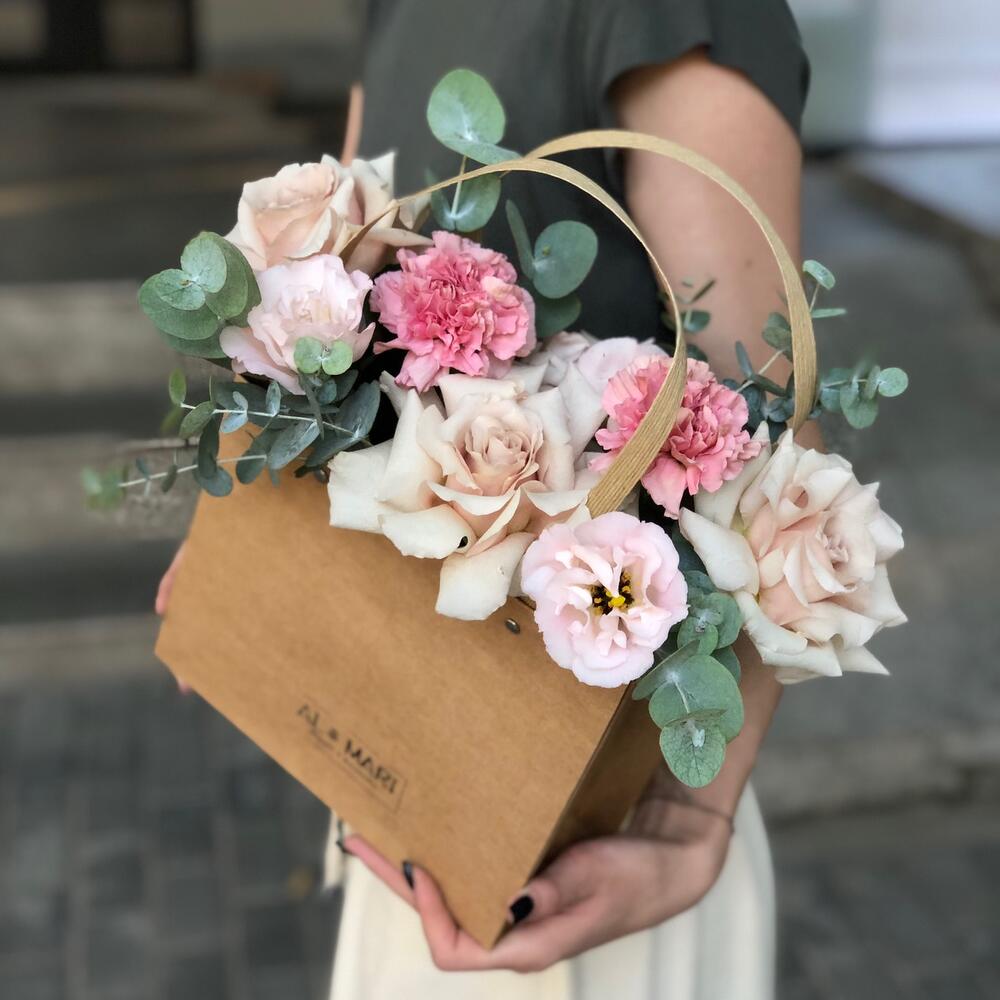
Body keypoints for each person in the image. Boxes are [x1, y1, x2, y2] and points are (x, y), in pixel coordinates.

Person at [159, 1, 815, 996]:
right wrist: (255, 513)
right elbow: (343, 311)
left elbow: (769, 441)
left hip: (584, 839)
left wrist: (693, 819)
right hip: (409, 766)